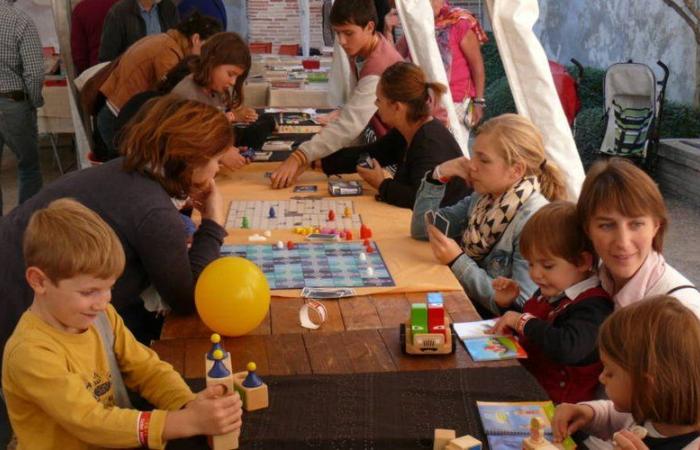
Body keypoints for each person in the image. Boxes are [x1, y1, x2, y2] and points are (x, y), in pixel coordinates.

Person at [0, 97, 233, 368]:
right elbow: (188, 298)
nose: (218, 169)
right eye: (216, 160)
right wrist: (213, 223)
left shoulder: (126, 168)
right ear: (192, 160)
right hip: (22, 322)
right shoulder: (153, 210)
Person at [1, 198, 242, 449]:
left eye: (109, 288)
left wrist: (187, 404)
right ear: (39, 281)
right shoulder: (30, 353)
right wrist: (186, 422)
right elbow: (91, 422)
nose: (103, 302)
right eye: (89, 292)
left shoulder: (101, 316)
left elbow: (145, 368)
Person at [411, 114, 567, 316]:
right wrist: (437, 176)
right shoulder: (483, 199)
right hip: (466, 309)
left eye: (483, 160)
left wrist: (457, 261)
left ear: (516, 170)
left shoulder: (534, 220)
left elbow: (521, 305)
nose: (472, 165)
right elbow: (422, 230)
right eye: (473, 155)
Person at [270, 0, 403, 189]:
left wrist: (301, 156)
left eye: (348, 33)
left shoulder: (379, 66)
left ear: (370, 27)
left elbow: (350, 124)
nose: (341, 41)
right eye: (337, 32)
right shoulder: (364, 50)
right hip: (380, 140)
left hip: (397, 150)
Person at [490, 201, 613, 404]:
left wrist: (520, 320)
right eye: (531, 263)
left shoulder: (594, 307)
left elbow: (566, 347)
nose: (535, 274)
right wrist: (509, 307)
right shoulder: (553, 289)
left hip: (556, 414)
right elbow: (537, 330)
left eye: (547, 265)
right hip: (525, 389)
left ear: (583, 262)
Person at [552, 296, 700, 449]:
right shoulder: (649, 407)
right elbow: (614, 416)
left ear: (645, 385)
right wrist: (587, 413)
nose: (601, 378)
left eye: (610, 372)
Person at [320, 61, 469, 209]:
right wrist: (317, 159)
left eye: (379, 99)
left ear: (397, 107)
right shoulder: (407, 130)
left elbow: (418, 199)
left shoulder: (429, 143)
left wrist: (382, 184)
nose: (376, 104)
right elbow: (371, 153)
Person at [577, 158, 700, 318]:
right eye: (607, 225)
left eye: (636, 224)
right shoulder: (587, 282)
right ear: (588, 229)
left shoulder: (684, 312)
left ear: (656, 226)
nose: (623, 242)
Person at [96, 13, 221, 159]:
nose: (208, 58)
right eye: (208, 50)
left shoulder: (164, 40)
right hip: (118, 120)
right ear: (196, 39)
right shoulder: (167, 52)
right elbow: (174, 99)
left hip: (120, 115)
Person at [388, 0, 487, 133]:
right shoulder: (418, 25)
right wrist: (388, 29)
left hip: (457, 102)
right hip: (425, 102)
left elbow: (477, 67)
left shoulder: (459, 22)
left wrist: (479, 102)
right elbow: (393, 57)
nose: (430, 3)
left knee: (455, 148)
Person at [0, 0, 44, 216]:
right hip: (13, 103)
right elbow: (34, 72)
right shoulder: (20, 20)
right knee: (29, 167)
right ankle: (26, 224)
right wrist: (34, 102)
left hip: (11, 103)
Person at [171, 32, 257, 125]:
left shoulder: (214, 89)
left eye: (237, 77)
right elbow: (196, 132)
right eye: (230, 74)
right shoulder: (187, 95)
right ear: (212, 62)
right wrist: (232, 116)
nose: (233, 82)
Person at [98, 0, 179, 63]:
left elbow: (178, 43)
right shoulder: (118, 13)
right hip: (132, 79)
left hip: (164, 74)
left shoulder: (168, 8)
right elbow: (107, 59)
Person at [70, 0, 120, 74]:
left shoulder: (82, 8)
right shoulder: (132, 5)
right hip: (129, 73)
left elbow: (79, 56)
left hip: (97, 74)